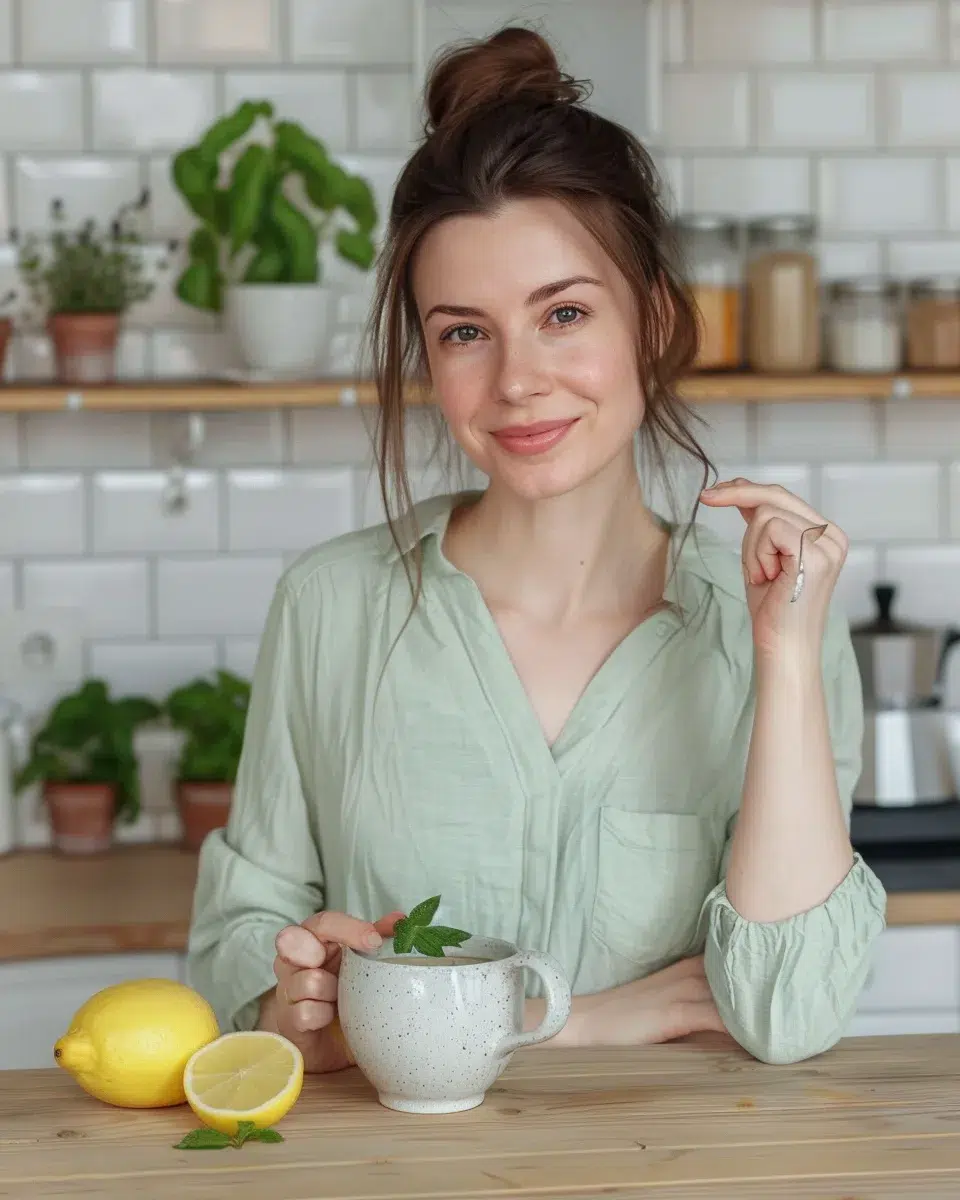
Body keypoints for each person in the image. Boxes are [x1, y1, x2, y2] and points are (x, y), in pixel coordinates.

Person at [188, 26, 886, 1071]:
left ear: (651, 320)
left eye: (563, 313)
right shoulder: (331, 605)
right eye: (465, 331)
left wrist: (784, 656)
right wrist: (292, 990)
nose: (517, 380)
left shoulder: (772, 626)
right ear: (427, 355)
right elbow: (237, 939)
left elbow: (787, 1011)